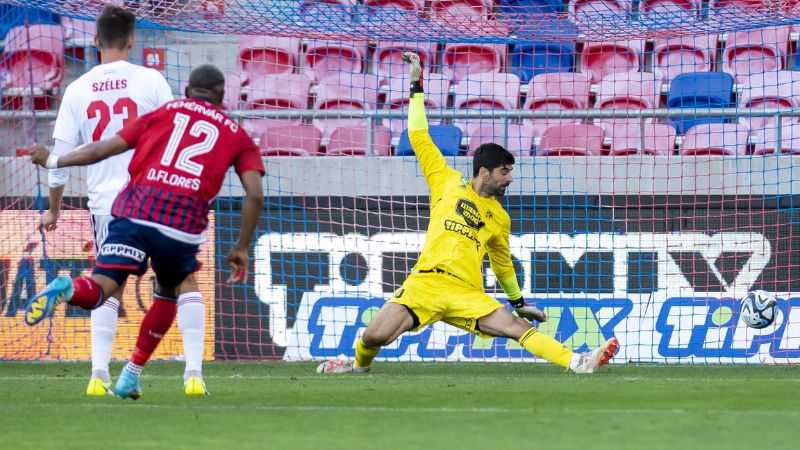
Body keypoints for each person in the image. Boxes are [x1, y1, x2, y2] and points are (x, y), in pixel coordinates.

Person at [318, 53, 619, 374]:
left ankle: (578, 362)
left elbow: (503, 265)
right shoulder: (446, 181)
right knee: (375, 336)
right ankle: (359, 365)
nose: (510, 179)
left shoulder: (499, 216)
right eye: (505, 172)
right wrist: (416, 86)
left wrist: (518, 303)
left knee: (516, 327)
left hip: (467, 293)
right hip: (426, 284)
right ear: (485, 172)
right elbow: (419, 137)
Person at [25, 64, 265, 400]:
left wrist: (53, 161)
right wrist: (241, 247)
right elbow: (254, 194)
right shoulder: (237, 134)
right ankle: (151, 373)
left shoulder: (163, 113)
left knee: (102, 288)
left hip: (132, 211)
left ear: (186, 91)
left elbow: (101, 148)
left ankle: (69, 289)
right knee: (171, 289)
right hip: (179, 224)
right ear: (223, 96)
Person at [43, 4, 209, 396]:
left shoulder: (77, 89)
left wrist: (53, 208)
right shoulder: (151, 81)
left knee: (108, 286)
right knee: (183, 280)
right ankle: (194, 375)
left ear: (96, 41)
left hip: (109, 206)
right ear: (133, 40)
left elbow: (57, 159)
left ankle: (98, 374)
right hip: (158, 200)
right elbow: (177, 138)